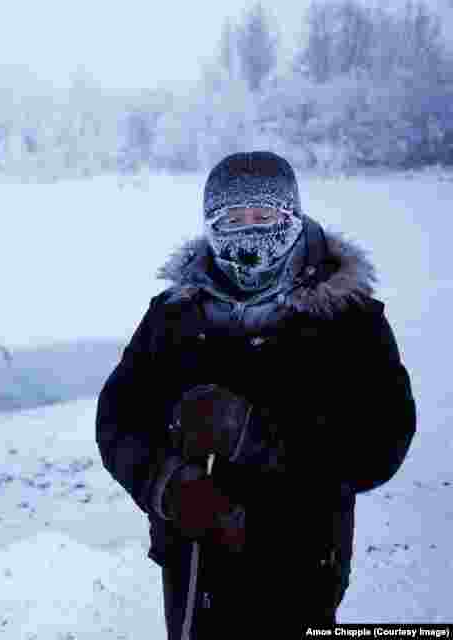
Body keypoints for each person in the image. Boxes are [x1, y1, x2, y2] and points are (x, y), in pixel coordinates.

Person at [95, 151, 416, 638]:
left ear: (292, 218)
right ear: (211, 227)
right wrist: (167, 485)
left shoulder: (350, 322)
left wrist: (255, 435)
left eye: (264, 216)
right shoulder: (174, 316)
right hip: (194, 565)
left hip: (303, 566)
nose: (250, 233)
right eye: (233, 220)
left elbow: (381, 442)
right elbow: (118, 419)